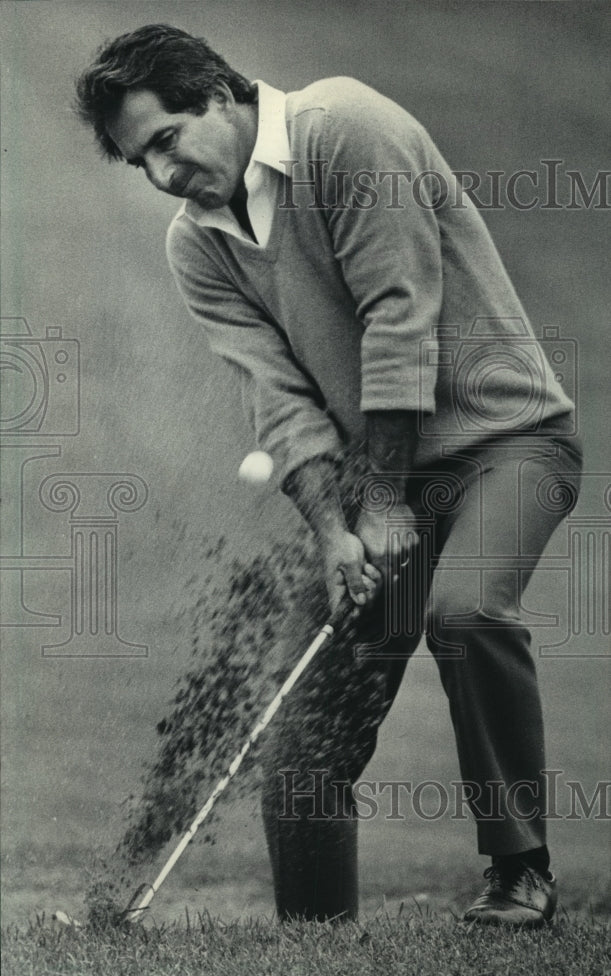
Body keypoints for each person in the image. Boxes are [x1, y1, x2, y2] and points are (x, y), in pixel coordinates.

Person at [75, 24, 583, 926]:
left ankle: (520, 874)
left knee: (463, 614)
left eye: (164, 142)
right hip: (375, 480)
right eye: (137, 163)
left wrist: (385, 503)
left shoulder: (345, 129)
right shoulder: (197, 245)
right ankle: (316, 936)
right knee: (308, 724)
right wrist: (334, 531)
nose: (159, 176)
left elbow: (399, 318)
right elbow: (277, 399)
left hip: (507, 442)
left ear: (218, 97)